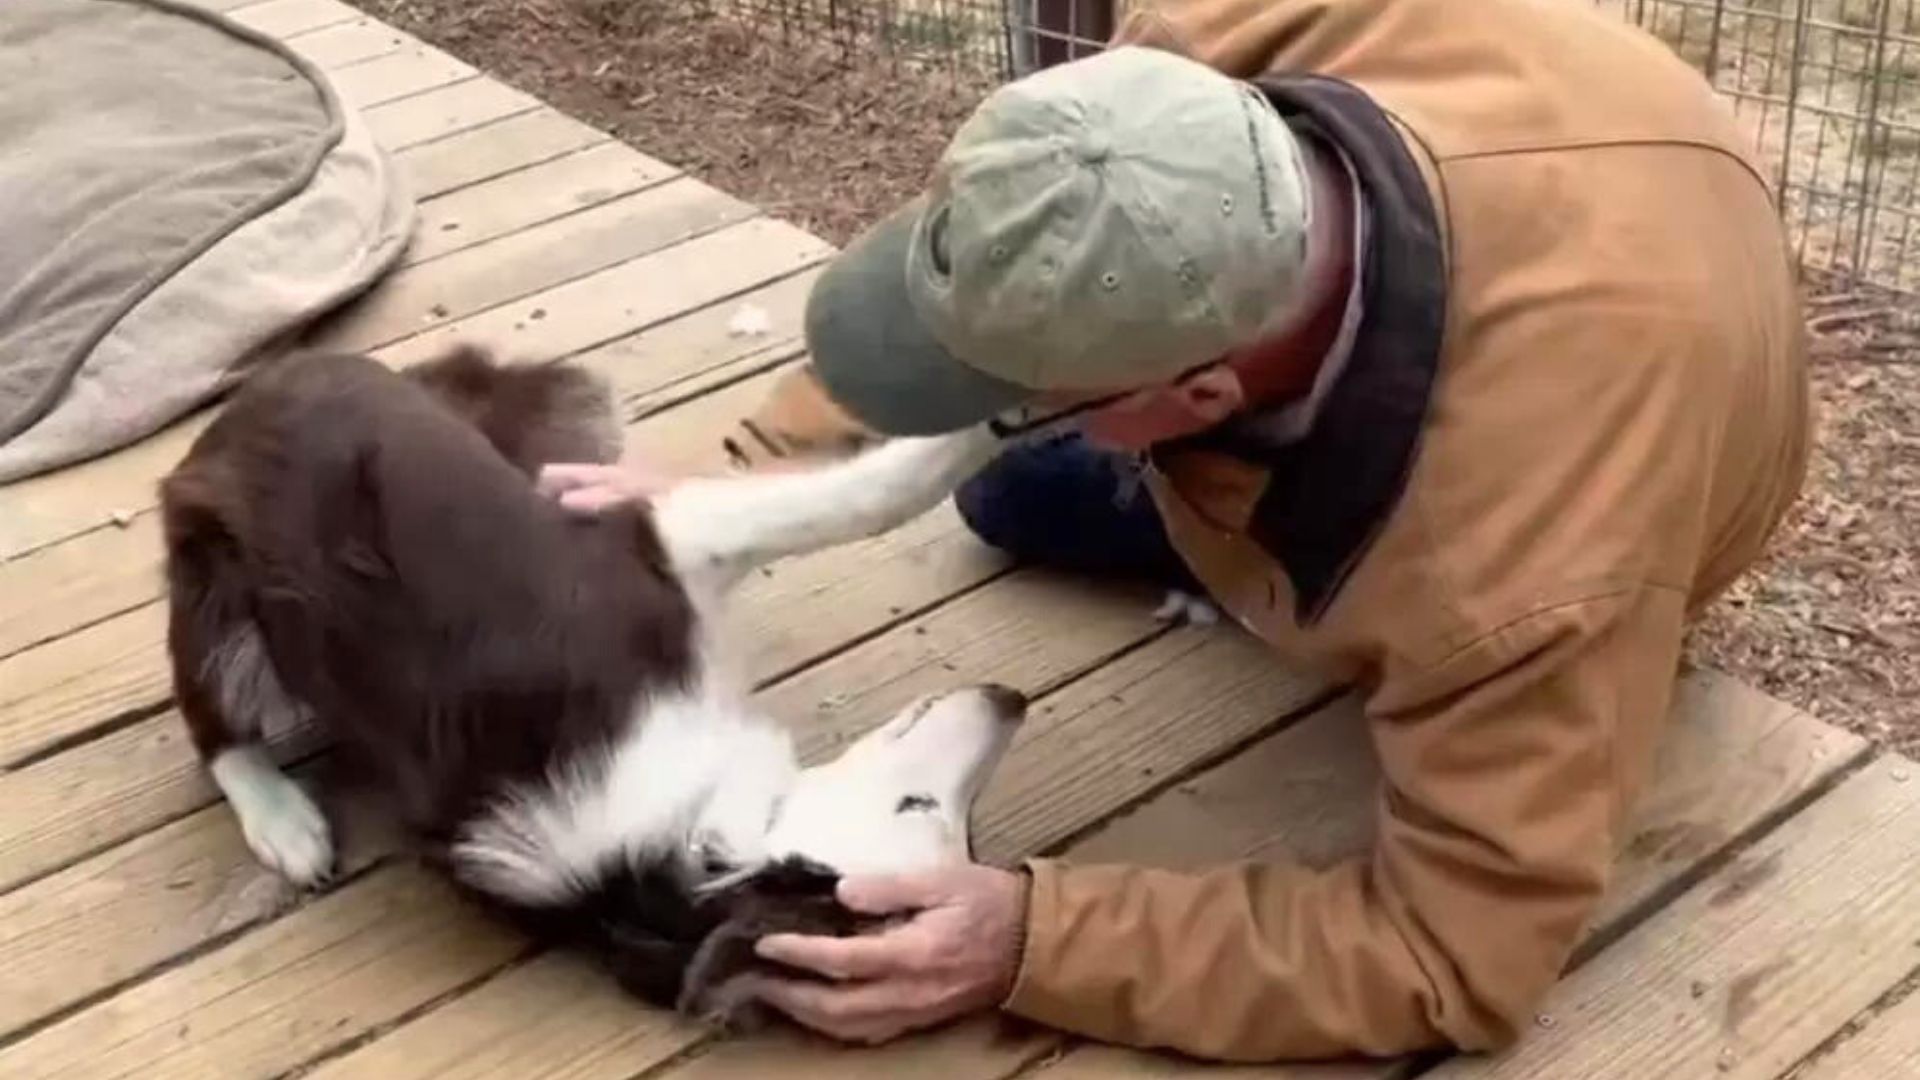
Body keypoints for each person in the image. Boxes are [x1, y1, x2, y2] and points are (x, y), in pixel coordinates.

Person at [541, 0, 1811, 1063]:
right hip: (1564, 203)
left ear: (1196, 399)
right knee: (999, 494)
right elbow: (1007, 239)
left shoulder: (1520, 579)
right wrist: (722, 483)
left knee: (1084, 510)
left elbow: (1454, 953)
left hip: (1604, 467)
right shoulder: (1194, 69)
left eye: (1030, 392)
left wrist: (1030, 941)